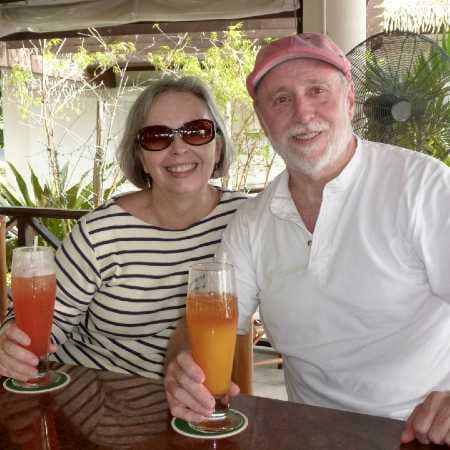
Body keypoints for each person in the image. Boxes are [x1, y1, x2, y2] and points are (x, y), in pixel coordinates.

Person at [164, 33, 450, 446]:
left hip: (418, 433)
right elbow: (203, 322)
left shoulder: (423, 187)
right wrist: (183, 367)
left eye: (317, 91)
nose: (303, 113)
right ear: (263, 122)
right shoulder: (252, 221)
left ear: (350, 100)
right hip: (308, 434)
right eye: (281, 100)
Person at [0, 76, 246, 381]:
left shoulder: (247, 220)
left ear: (218, 147)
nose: (178, 149)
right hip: (92, 398)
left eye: (196, 132)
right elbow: (45, 320)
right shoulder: (102, 232)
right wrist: (11, 343)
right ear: (141, 157)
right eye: (157, 137)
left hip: (193, 402)